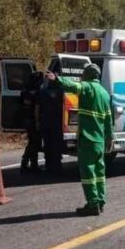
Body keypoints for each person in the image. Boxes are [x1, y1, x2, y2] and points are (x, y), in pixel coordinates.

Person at [45, 64, 113, 216]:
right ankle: (100, 202)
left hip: (88, 139)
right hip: (100, 141)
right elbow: (109, 121)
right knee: (100, 172)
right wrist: (110, 139)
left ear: (87, 74)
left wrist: (57, 79)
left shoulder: (88, 87)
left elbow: (73, 86)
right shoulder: (105, 94)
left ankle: (92, 204)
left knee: (88, 172)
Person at [37, 75, 64, 173]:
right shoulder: (61, 92)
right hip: (57, 123)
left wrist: (37, 121)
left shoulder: (43, 92)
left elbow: (38, 107)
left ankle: (48, 164)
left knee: (48, 144)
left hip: (46, 122)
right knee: (56, 144)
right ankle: (57, 165)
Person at [20, 71, 43, 173]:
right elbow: (37, 109)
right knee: (35, 143)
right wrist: (38, 122)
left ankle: (27, 163)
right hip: (34, 120)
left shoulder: (24, 92)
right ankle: (31, 165)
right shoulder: (37, 93)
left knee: (31, 142)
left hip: (26, 119)